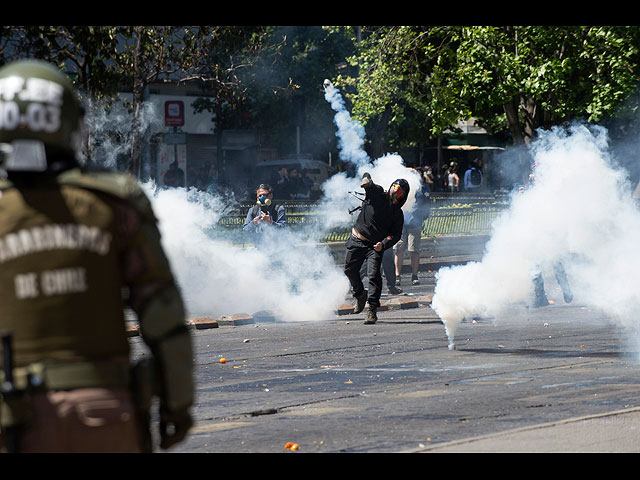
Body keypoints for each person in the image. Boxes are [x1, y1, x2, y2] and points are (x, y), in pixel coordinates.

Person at [0, 60, 194, 453]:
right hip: (106, 412)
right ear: (69, 122)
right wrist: (177, 405)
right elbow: (162, 312)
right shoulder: (113, 202)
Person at [344, 173, 408, 325]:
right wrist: (366, 181)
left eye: (399, 193)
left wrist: (384, 244)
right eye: (394, 190)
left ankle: (372, 308)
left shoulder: (397, 214)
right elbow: (369, 183)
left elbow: (395, 234)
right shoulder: (378, 194)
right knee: (349, 270)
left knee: (373, 276)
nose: (394, 195)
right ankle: (360, 294)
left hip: (375, 246)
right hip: (357, 239)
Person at [395, 173, 431, 286]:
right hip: (401, 223)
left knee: (414, 250)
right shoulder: (401, 186)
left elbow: (427, 203)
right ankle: (397, 276)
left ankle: (414, 275)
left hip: (415, 223)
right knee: (399, 250)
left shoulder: (423, 187)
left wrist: (422, 217)